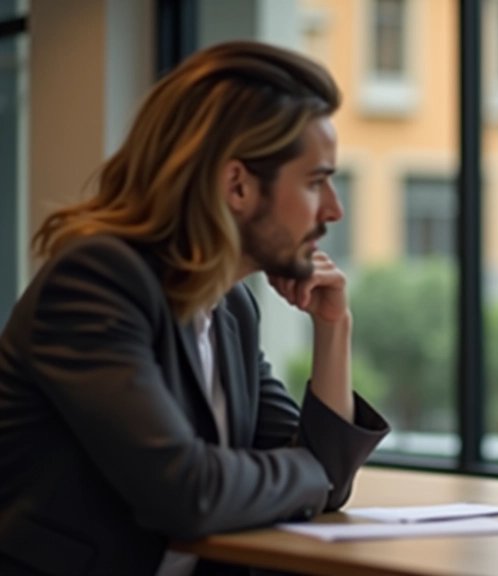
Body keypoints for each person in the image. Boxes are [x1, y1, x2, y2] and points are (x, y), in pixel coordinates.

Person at [0, 41, 390, 576]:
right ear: (237, 185)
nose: (334, 210)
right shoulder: (97, 280)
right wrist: (311, 471)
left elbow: (328, 485)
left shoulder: (231, 307)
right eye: (315, 181)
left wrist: (333, 326)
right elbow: (186, 494)